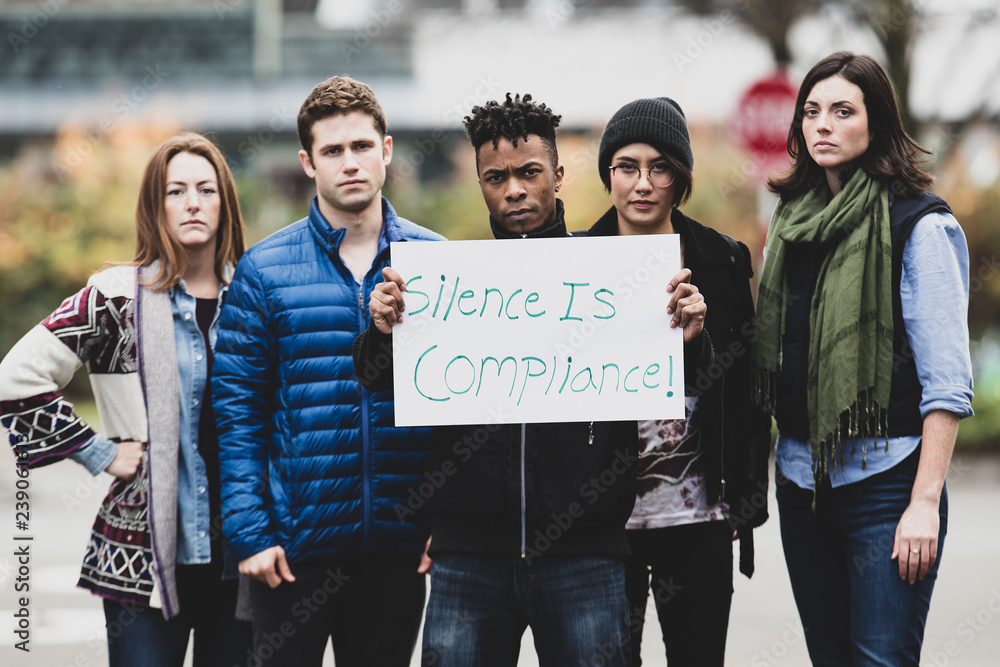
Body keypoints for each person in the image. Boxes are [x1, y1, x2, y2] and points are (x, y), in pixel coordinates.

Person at [354, 93, 710, 667]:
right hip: (468, 558)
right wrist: (382, 331)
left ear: (558, 175)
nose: (514, 189)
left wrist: (690, 334)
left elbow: (683, 382)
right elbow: (376, 381)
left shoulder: (613, 277)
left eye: (529, 173)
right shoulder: (443, 284)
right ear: (479, 183)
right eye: (496, 178)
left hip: (586, 556)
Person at [211, 76, 444, 667]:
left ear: (386, 150)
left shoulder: (437, 263)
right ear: (308, 163)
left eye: (362, 147)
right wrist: (250, 532)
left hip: (397, 548)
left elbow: (458, 415)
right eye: (333, 151)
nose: (350, 163)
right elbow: (237, 413)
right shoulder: (264, 272)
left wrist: (447, 519)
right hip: (293, 553)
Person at [752, 52, 974, 665]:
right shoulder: (791, 225)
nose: (821, 124)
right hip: (801, 481)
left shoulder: (919, 227)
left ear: (877, 124)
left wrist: (923, 503)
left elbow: (947, 385)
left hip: (888, 486)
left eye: (843, 111)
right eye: (811, 111)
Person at [0, 133, 250, 666]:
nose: (192, 202)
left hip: (243, 555)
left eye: (206, 189)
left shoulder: (254, 297)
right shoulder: (116, 298)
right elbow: (15, 377)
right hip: (139, 559)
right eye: (175, 190)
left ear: (224, 203)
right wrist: (99, 452)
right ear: (154, 205)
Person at [589, 97, 772, 666]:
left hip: (699, 520)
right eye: (626, 166)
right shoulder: (571, 262)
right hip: (604, 522)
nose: (642, 183)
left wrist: (744, 502)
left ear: (681, 177)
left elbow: (747, 393)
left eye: (659, 166)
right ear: (608, 174)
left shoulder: (721, 261)